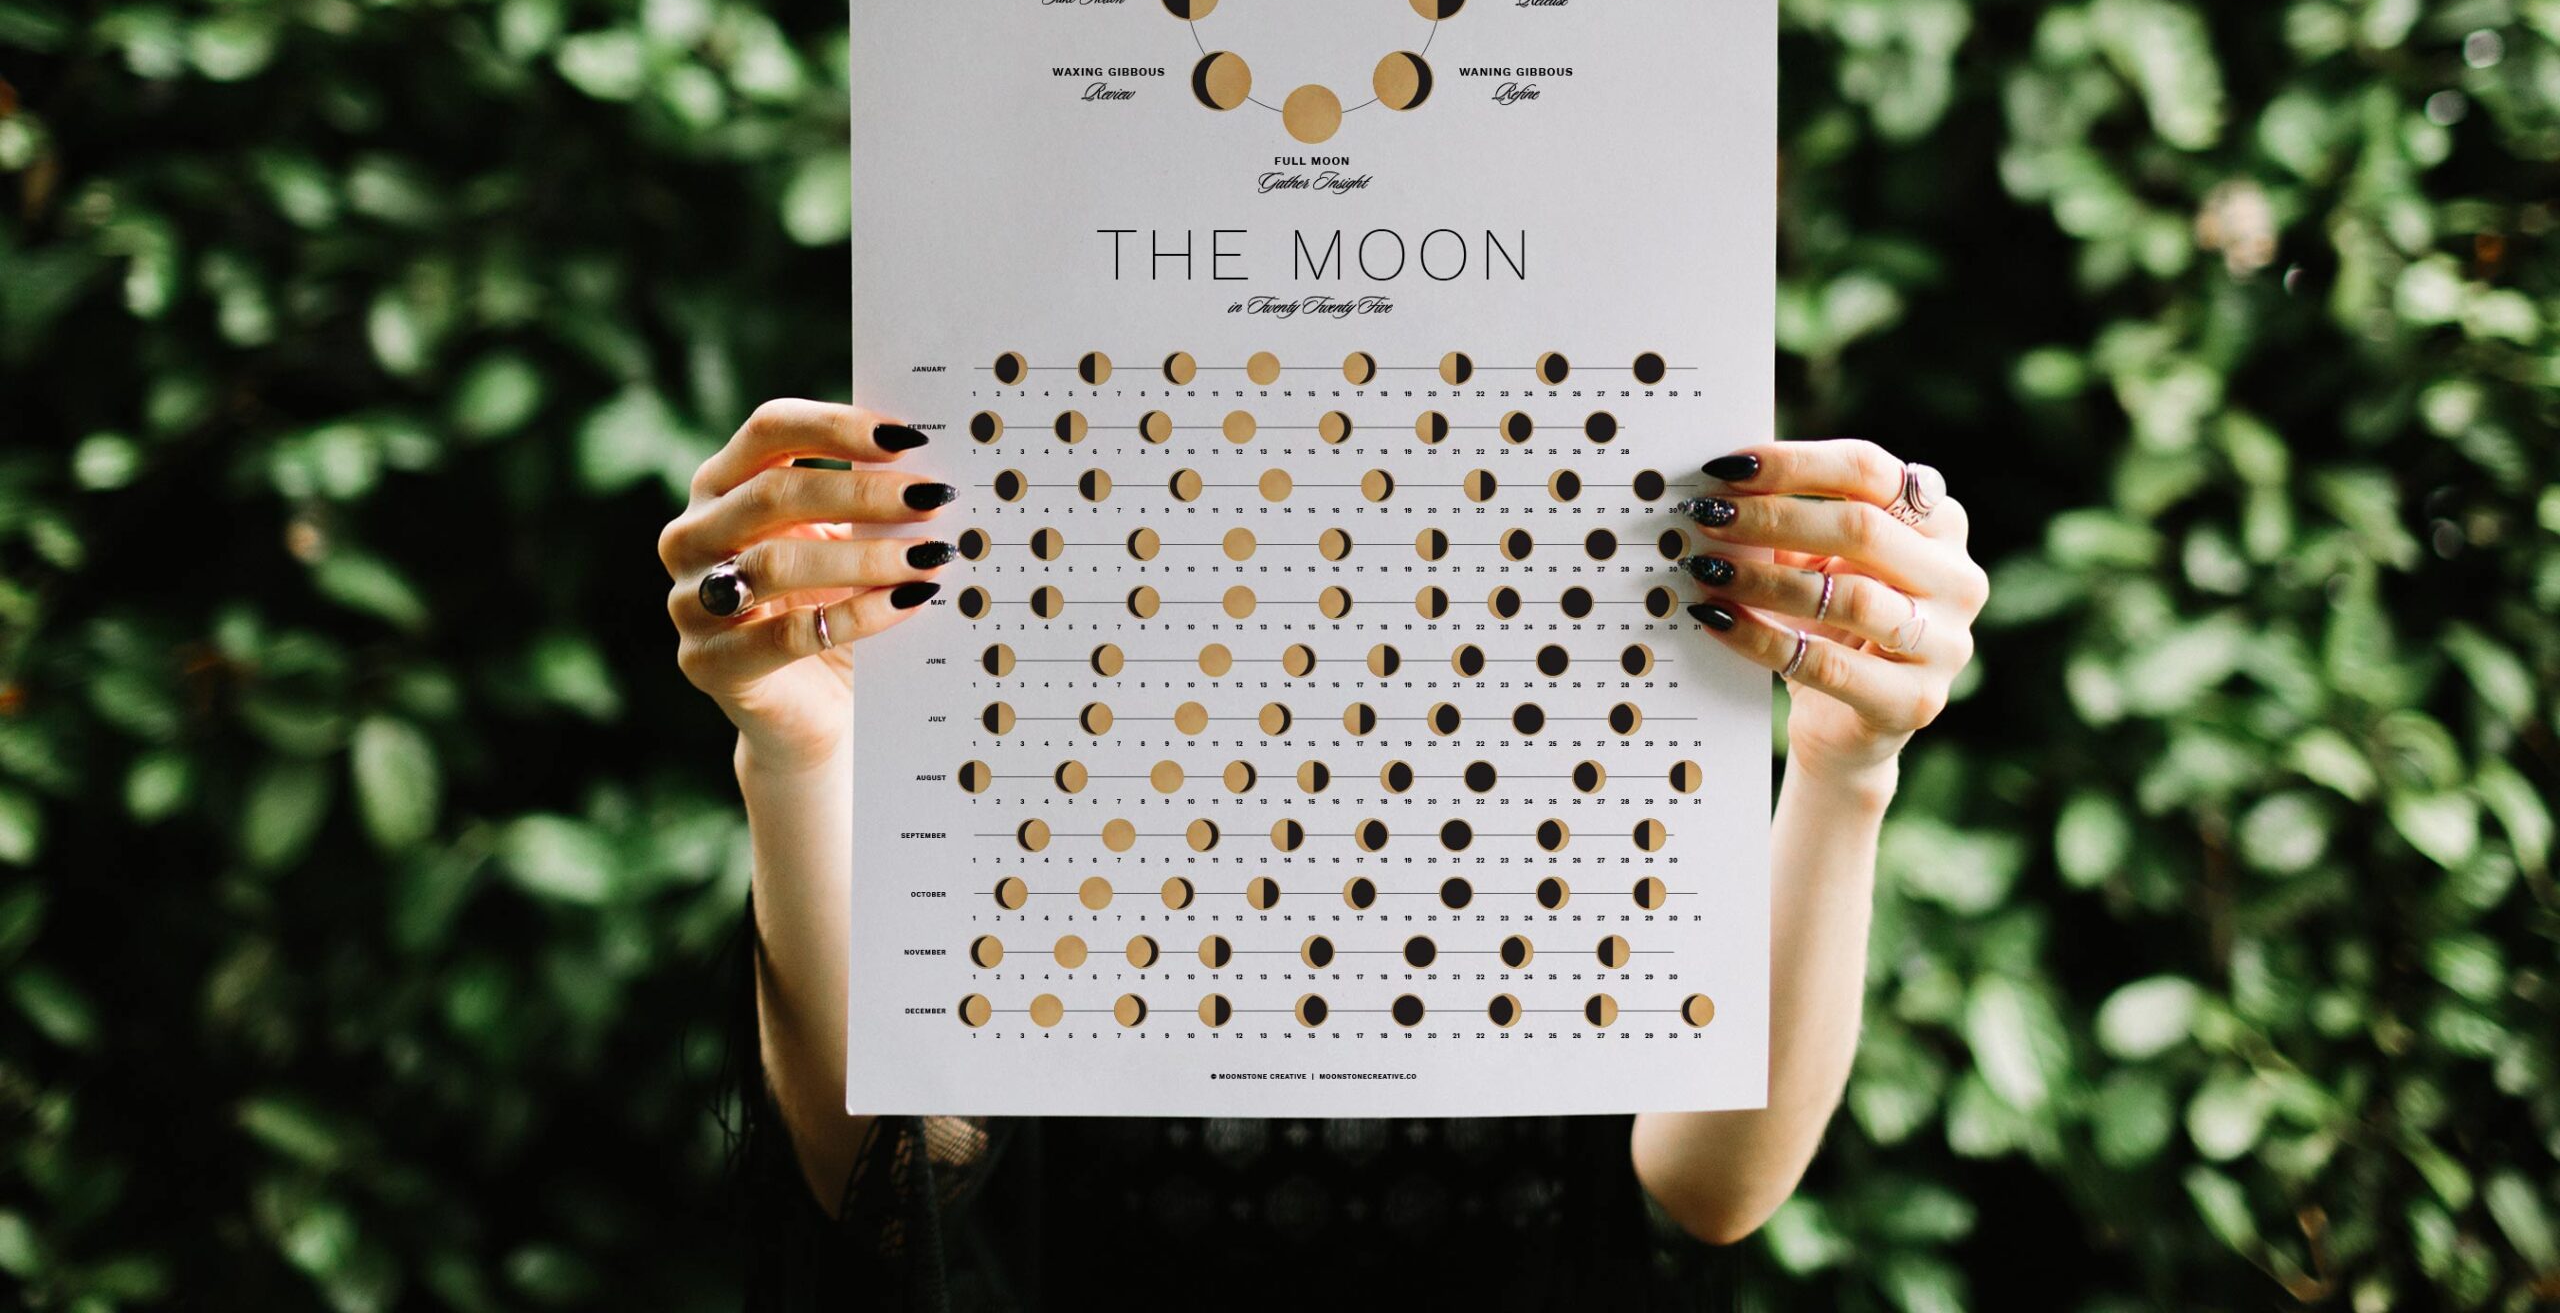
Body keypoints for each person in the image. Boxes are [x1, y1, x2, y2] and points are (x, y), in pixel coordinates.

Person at [659, 401, 1988, 1310]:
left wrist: (1844, 768)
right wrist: (797, 755)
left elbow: (1707, 1185)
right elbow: (895, 1184)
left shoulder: (1595, 585)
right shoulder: (1055, 589)